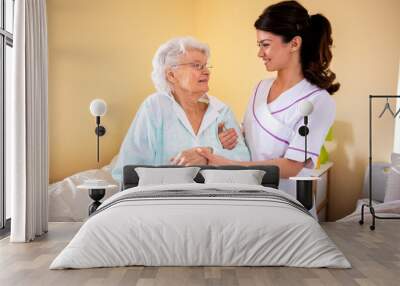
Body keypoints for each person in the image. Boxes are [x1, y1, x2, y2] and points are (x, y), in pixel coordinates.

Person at [195, 1, 338, 184]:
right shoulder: (260, 88)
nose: (260, 53)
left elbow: (291, 166)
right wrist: (229, 138)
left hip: (285, 203)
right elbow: (249, 139)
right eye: (259, 45)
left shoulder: (318, 100)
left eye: (265, 44)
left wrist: (229, 165)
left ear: (294, 43)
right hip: (251, 194)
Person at [111, 36, 250, 182]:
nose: (207, 72)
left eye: (206, 65)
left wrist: (209, 154)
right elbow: (128, 171)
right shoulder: (155, 107)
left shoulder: (222, 111)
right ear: (171, 75)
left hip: (218, 198)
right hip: (167, 200)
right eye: (197, 65)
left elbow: (244, 164)